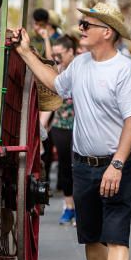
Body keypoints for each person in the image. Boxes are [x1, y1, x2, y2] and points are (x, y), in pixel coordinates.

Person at [15, 3, 131, 260]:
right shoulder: (82, 64)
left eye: (87, 24)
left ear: (107, 32)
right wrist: (26, 53)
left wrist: (117, 164)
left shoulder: (124, 70)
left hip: (118, 163)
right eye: (81, 23)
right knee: (91, 236)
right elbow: (56, 84)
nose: (81, 28)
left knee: (116, 235)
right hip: (83, 162)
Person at [50, 35, 77, 225]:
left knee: (81, 168)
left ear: (70, 52)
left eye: (60, 54)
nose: (57, 58)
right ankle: (69, 207)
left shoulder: (80, 69)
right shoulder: (55, 71)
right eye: (55, 54)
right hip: (60, 126)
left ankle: (82, 207)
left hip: (81, 126)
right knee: (65, 167)